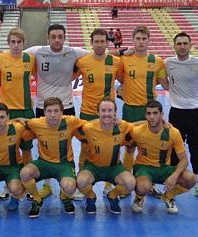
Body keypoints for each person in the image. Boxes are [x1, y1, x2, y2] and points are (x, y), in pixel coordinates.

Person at [25, 24, 88, 199]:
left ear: (64, 37)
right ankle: (47, 185)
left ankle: (68, 184)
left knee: (67, 144)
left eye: (60, 36)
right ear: (48, 38)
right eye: (54, 36)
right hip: (42, 106)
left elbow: (99, 54)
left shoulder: (73, 52)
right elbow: (14, 55)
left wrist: (122, 53)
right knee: (43, 144)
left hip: (66, 105)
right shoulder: (37, 51)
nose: (57, 40)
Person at [116, 25, 168, 198]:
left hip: (150, 110)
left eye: (144, 39)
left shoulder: (157, 61)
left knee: (149, 149)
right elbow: (107, 56)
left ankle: (150, 184)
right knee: (129, 148)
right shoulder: (124, 59)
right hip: (130, 109)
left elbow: (166, 84)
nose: (140, 42)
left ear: (149, 41)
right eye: (137, 39)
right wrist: (123, 51)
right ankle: (127, 183)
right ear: (133, 41)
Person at [74, 28, 123, 195]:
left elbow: (123, 81)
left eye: (103, 41)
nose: (100, 44)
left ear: (107, 43)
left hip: (108, 113)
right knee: (85, 147)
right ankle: (83, 185)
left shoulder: (116, 62)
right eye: (97, 41)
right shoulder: (82, 62)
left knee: (112, 147)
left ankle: (110, 184)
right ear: (92, 43)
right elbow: (69, 78)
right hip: (87, 112)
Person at [20, 97, 85, 218]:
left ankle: (64, 196)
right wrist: (17, 118)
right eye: (49, 111)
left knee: (70, 188)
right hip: (44, 163)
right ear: (44, 112)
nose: (52, 115)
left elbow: (93, 125)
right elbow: (15, 123)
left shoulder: (71, 121)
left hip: (64, 164)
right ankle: (37, 199)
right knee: (25, 173)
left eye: (56, 111)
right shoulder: (36, 123)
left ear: (62, 111)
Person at [131, 100, 196, 214]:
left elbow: (184, 160)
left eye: (155, 113)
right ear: (145, 115)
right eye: (149, 114)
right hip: (144, 167)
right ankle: (139, 198)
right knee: (143, 187)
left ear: (162, 115)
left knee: (191, 179)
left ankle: (168, 196)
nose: (152, 117)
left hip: (164, 168)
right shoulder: (137, 131)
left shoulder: (173, 132)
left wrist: (175, 175)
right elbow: (124, 125)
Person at [76, 98, 136, 214]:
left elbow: (139, 125)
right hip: (93, 167)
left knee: (131, 184)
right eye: (103, 110)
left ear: (115, 112)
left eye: (110, 111)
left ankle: (112, 195)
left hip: (114, 167)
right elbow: (71, 125)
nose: (107, 114)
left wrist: (162, 122)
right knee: (80, 182)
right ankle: (91, 197)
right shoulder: (88, 127)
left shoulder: (123, 126)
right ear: (98, 112)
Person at [0, 27, 36, 165]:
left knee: (27, 149)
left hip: (26, 109)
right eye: (13, 42)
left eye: (19, 42)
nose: (16, 45)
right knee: (9, 148)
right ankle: (10, 183)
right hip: (7, 111)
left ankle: (26, 179)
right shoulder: (0, 58)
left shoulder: (30, 59)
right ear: (8, 43)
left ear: (24, 43)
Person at [165, 32, 198, 196]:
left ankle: (197, 181)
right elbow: (164, 82)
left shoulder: (197, 63)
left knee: (196, 147)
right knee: (173, 148)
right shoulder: (168, 62)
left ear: (190, 45)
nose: (182, 46)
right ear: (174, 46)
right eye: (179, 44)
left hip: (195, 112)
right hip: (176, 112)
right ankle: (174, 179)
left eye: (185, 43)